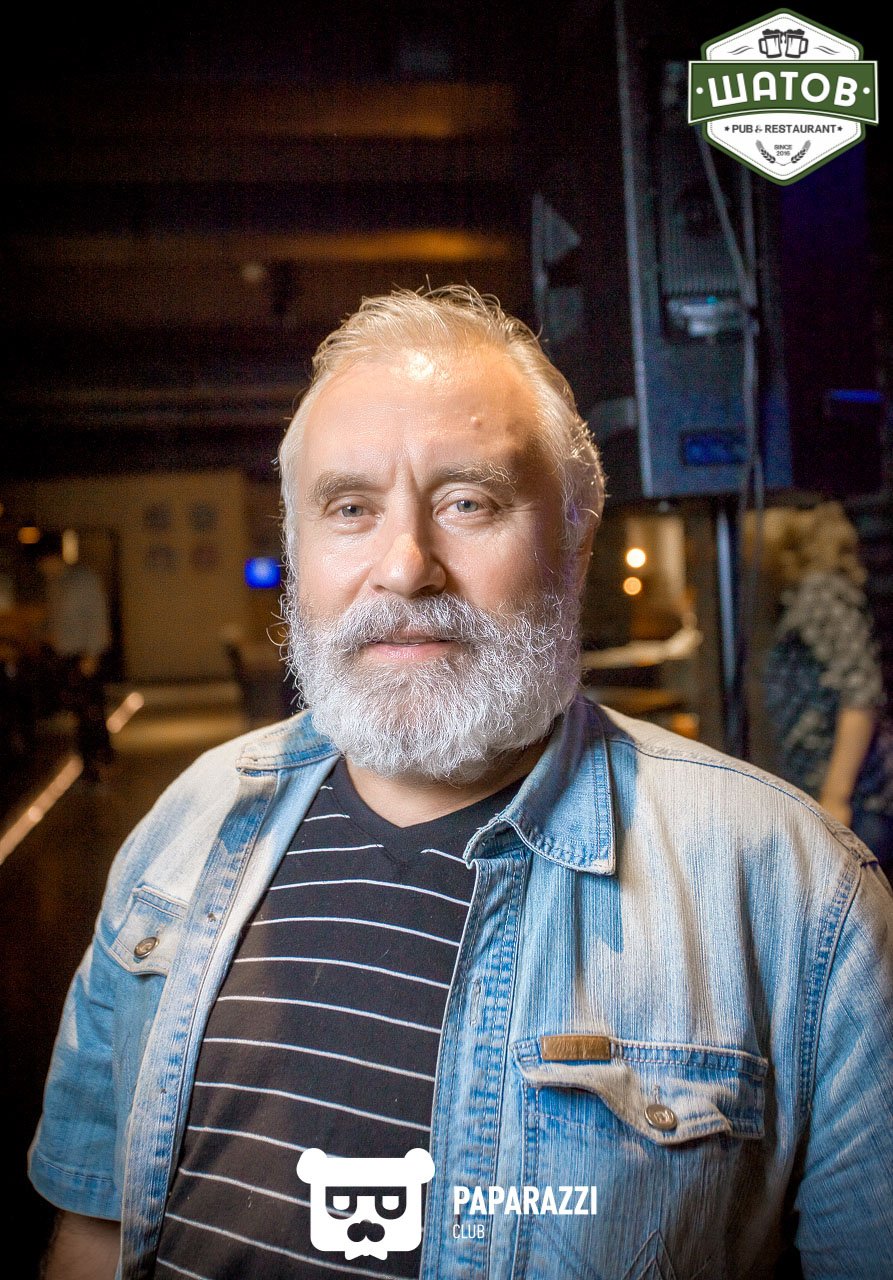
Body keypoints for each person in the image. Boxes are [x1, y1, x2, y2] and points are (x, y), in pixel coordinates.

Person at [29, 287, 893, 1280]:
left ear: (575, 539)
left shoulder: (793, 893)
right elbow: (93, 1233)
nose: (405, 567)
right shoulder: (185, 823)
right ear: (298, 547)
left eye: (467, 503)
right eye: (350, 509)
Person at [764, 502, 893, 876]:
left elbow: (861, 692)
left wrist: (836, 797)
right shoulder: (808, 594)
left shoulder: (821, 594)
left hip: (859, 802)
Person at [37, 536, 114, 783]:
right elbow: (54, 619)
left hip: (84, 654)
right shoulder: (54, 584)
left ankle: (96, 763)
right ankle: (94, 761)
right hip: (66, 655)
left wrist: (93, 653)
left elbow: (97, 616)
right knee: (82, 713)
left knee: (89, 712)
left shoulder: (83, 581)